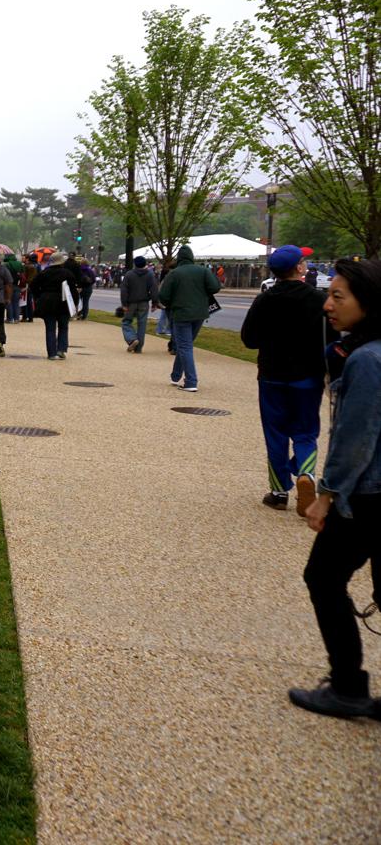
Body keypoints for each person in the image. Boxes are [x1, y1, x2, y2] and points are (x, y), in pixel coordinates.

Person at [288, 259, 381, 719]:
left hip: (366, 497)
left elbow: (355, 439)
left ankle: (347, 686)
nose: (328, 304)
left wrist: (327, 494)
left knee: (323, 579)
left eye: (339, 296)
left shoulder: (367, 360)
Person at [241, 245, 331, 514]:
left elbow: (249, 339)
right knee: (305, 431)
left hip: (271, 374)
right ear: (299, 268)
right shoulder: (317, 299)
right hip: (307, 375)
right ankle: (306, 473)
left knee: (275, 433)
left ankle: (279, 489)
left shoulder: (264, 300)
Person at [157, 244, 222, 393]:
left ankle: (191, 381)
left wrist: (170, 305)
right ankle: (175, 375)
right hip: (200, 313)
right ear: (192, 257)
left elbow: (163, 296)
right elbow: (215, 288)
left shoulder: (174, 274)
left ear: (179, 259)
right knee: (185, 345)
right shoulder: (203, 271)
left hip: (181, 313)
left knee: (185, 346)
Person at [28, 252, 78, 359]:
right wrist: (75, 303)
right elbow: (73, 290)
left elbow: (33, 285)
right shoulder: (67, 273)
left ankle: (51, 352)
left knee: (50, 328)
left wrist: (39, 296)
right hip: (63, 301)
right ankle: (61, 349)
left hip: (47, 300)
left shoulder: (44, 272)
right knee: (63, 327)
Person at [119, 256, 159, 353]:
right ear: (145, 264)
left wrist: (124, 304)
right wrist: (154, 303)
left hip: (131, 303)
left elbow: (124, 290)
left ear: (135, 264)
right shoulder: (150, 274)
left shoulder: (129, 274)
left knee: (126, 322)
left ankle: (132, 339)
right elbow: (154, 290)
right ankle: (138, 348)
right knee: (142, 325)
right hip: (144, 303)